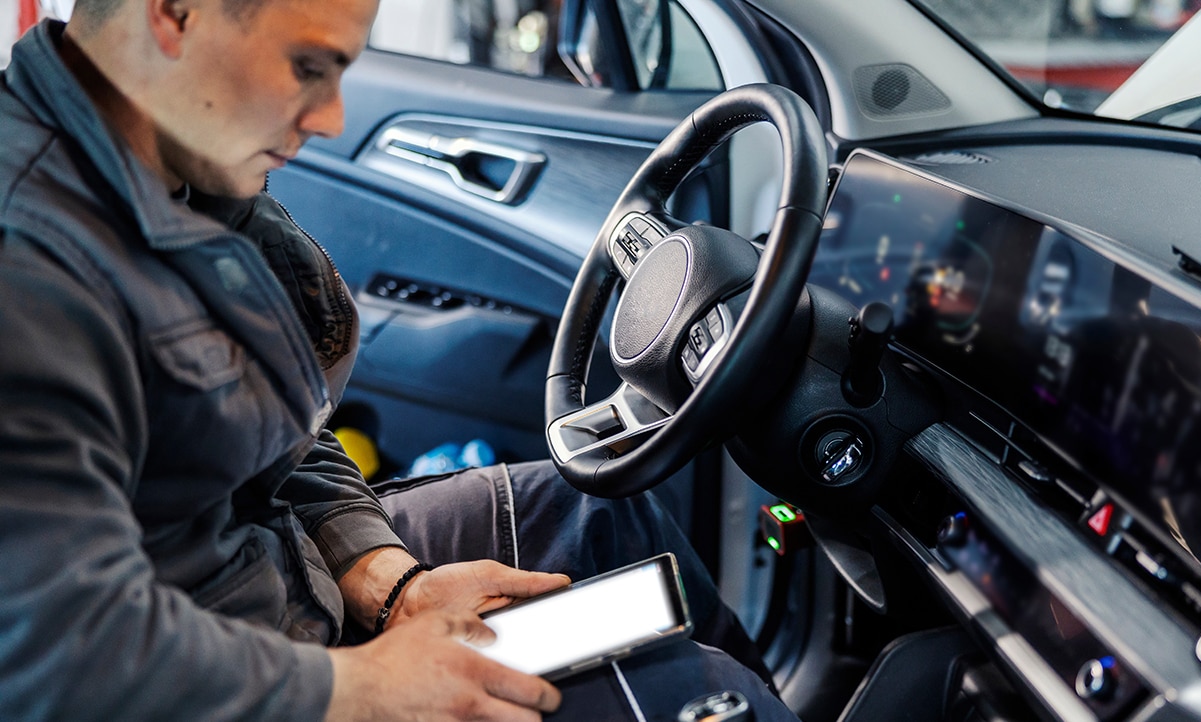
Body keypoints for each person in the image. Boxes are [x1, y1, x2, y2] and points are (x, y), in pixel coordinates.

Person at [0, 0, 796, 719]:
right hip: (221, 676)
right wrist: (366, 687)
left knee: (594, 508)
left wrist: (389, 584)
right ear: (175, 15)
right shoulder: (31, 268)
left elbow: (277, 431)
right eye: (309, 67)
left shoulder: (177, 170)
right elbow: (58, 659)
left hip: (286, 584)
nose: (333, 117)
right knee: (704, 698)